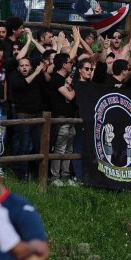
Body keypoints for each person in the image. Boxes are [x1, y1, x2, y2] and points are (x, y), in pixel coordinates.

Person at [9, 58, 45, 180]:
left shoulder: (38, 77)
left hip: (37, 115)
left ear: (30, 66)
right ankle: (22, 175)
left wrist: (42, 69)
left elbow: (48, 81)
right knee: (24, 146)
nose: (24, 67)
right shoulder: (15, 77)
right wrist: (36, 72)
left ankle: (37, 175)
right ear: (18, 68)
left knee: (37, 146)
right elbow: (22, 84)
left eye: (27, 65)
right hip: (23, 115)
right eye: (22, 65)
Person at [48, 53, 77, 184]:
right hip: (61, 118)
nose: (71, 65)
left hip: (71, 117)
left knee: (69, 149)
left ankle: (65, 176)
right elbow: (69, 96)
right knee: (59, 148)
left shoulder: (66, 79)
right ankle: (55, 177)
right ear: (64, 64)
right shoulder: (56, 79)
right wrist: (76, 86)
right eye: (70, 62)